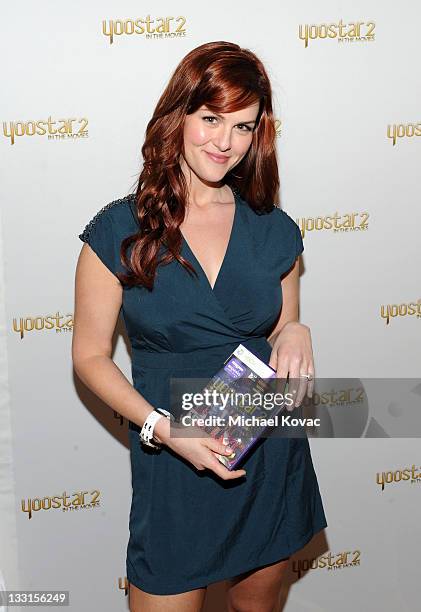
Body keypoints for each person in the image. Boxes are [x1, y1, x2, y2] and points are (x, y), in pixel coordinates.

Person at [72, 41, 327, 612]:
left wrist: (295, 331)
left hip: (266, 451)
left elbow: (284, 322)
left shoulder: (274, 227)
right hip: (173, 456)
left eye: (243, 126)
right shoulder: (118, 229)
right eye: (211, 119)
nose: (225, 142)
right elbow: (89, 357)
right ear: (178, 115)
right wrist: (163, 429)